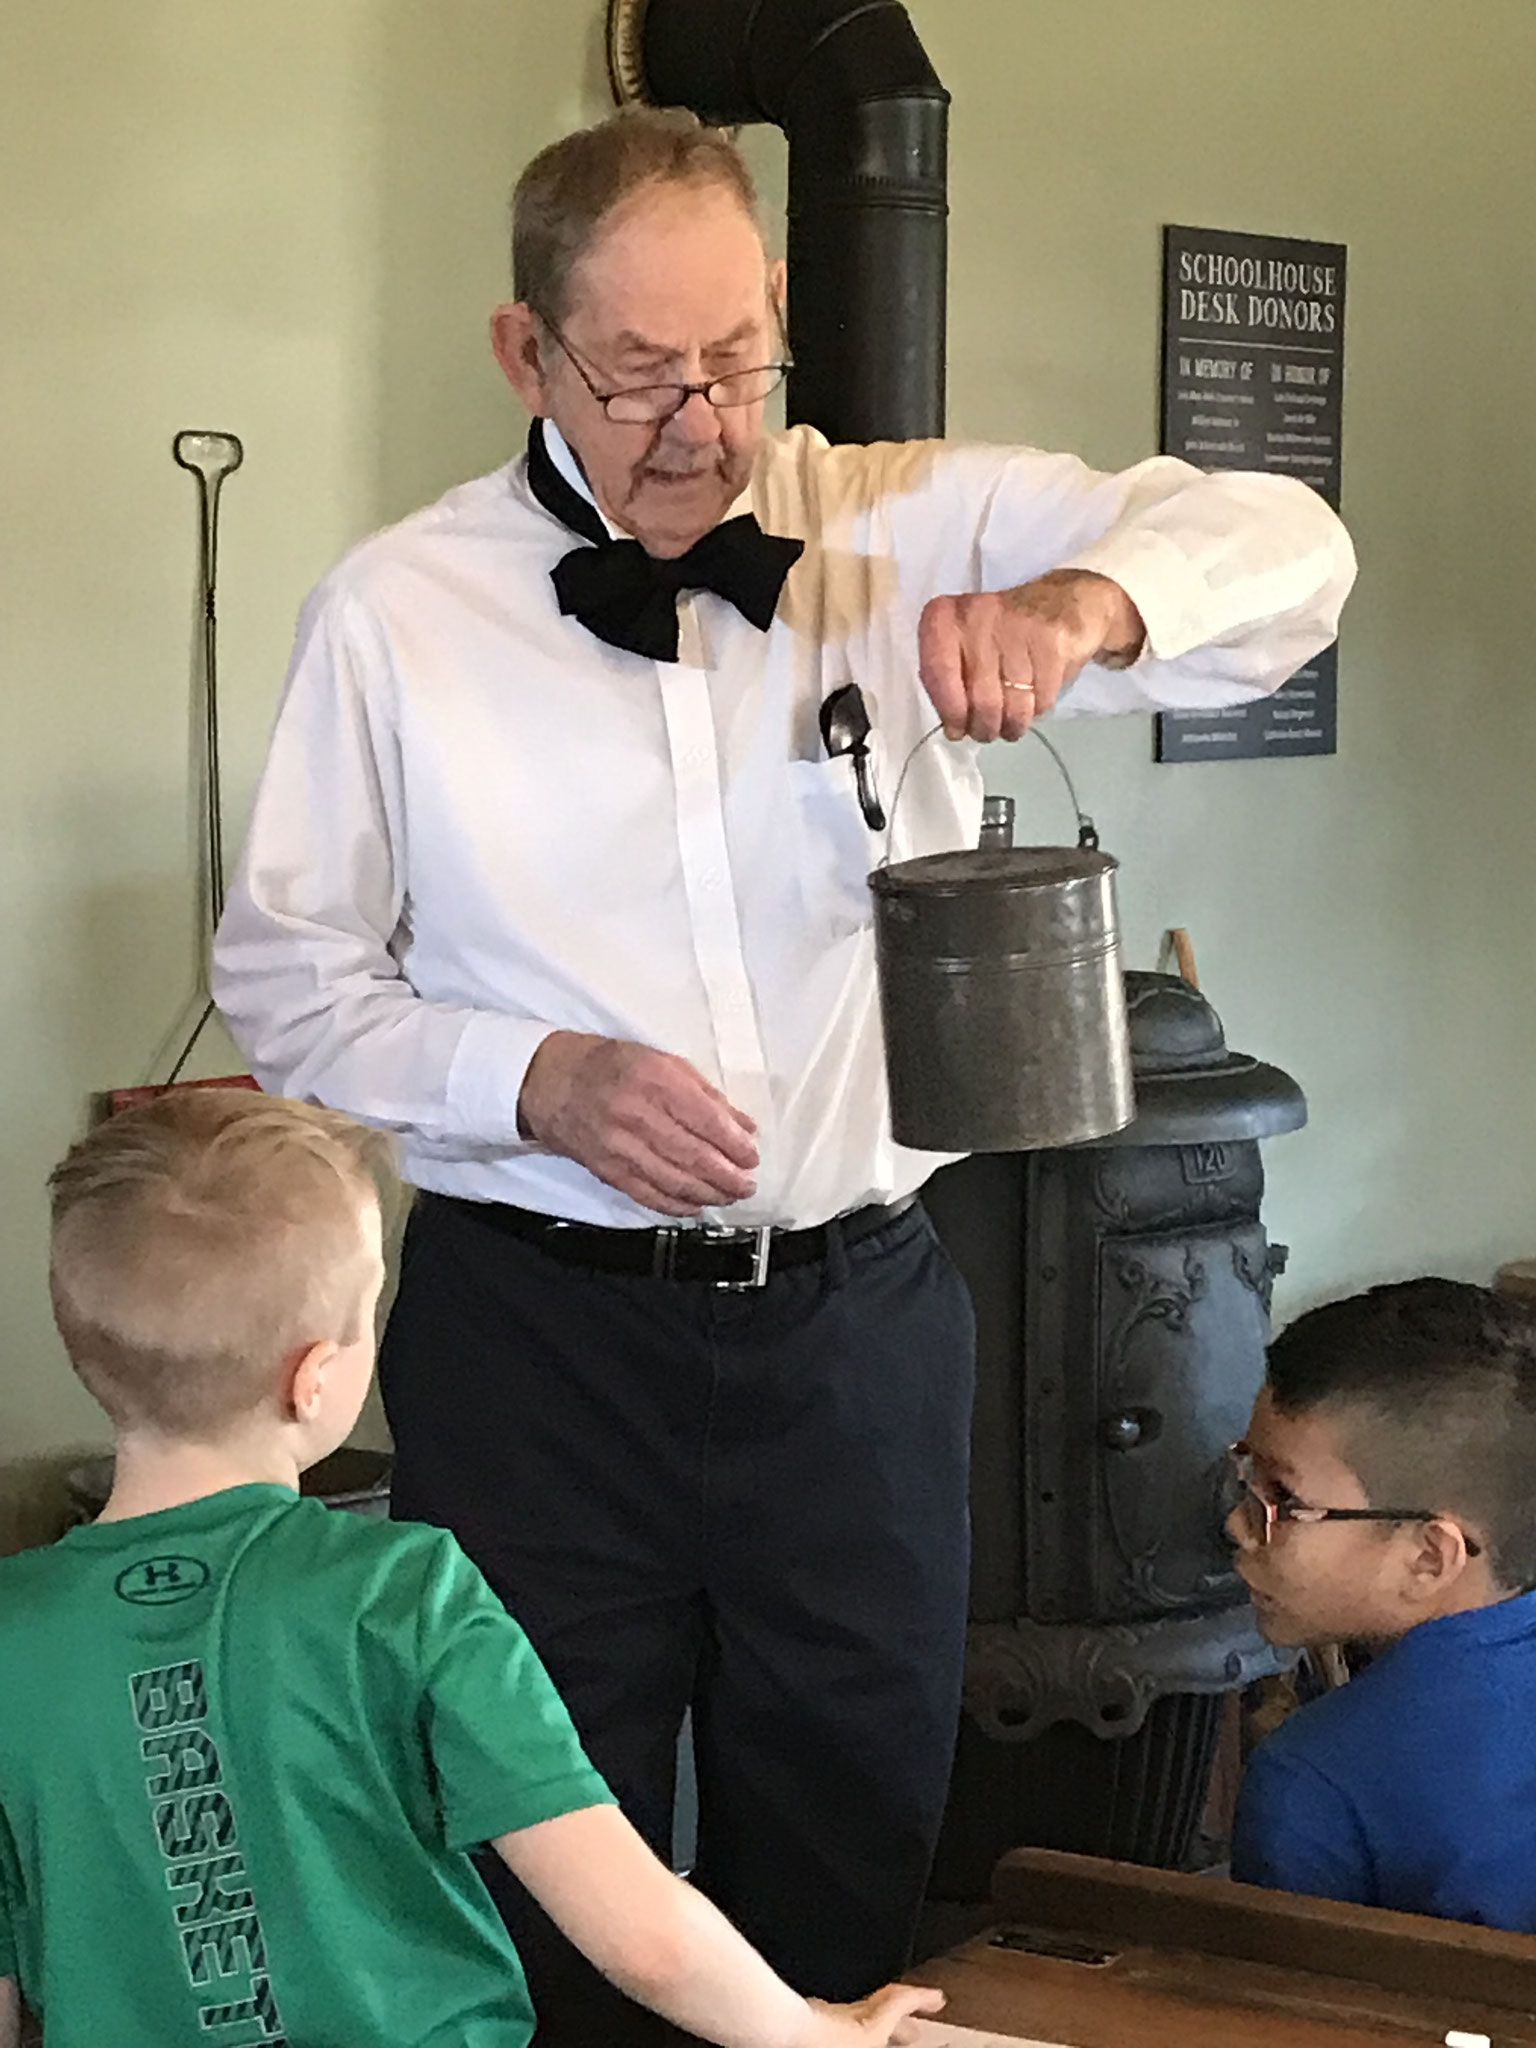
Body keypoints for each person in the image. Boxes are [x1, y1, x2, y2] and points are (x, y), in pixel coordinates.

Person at [210, 105, 1357, 2041]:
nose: (701, 425)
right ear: (524, 352)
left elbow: (1293, 557)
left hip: (857, 1320)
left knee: (854, 1812)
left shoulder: (915, 519)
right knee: (534, 1830)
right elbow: (284, 979)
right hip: (538, 1338)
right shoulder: (395, 610)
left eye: (737, 360)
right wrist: (533, 1073)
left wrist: (1080, 608)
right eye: (639, 374)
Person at [0, 1089, 942, 2048]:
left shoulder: (11, 1636)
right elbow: (646, 1938)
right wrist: (815, 2034)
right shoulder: (407, 1596)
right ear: (314, 1378)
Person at [1226, 1278, 1536, 1929]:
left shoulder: (1311, 1781)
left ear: (1428, 1557)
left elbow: (1288, 1989)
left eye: (1283, 1498)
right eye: (1246, 1475)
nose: (1238, 1524)